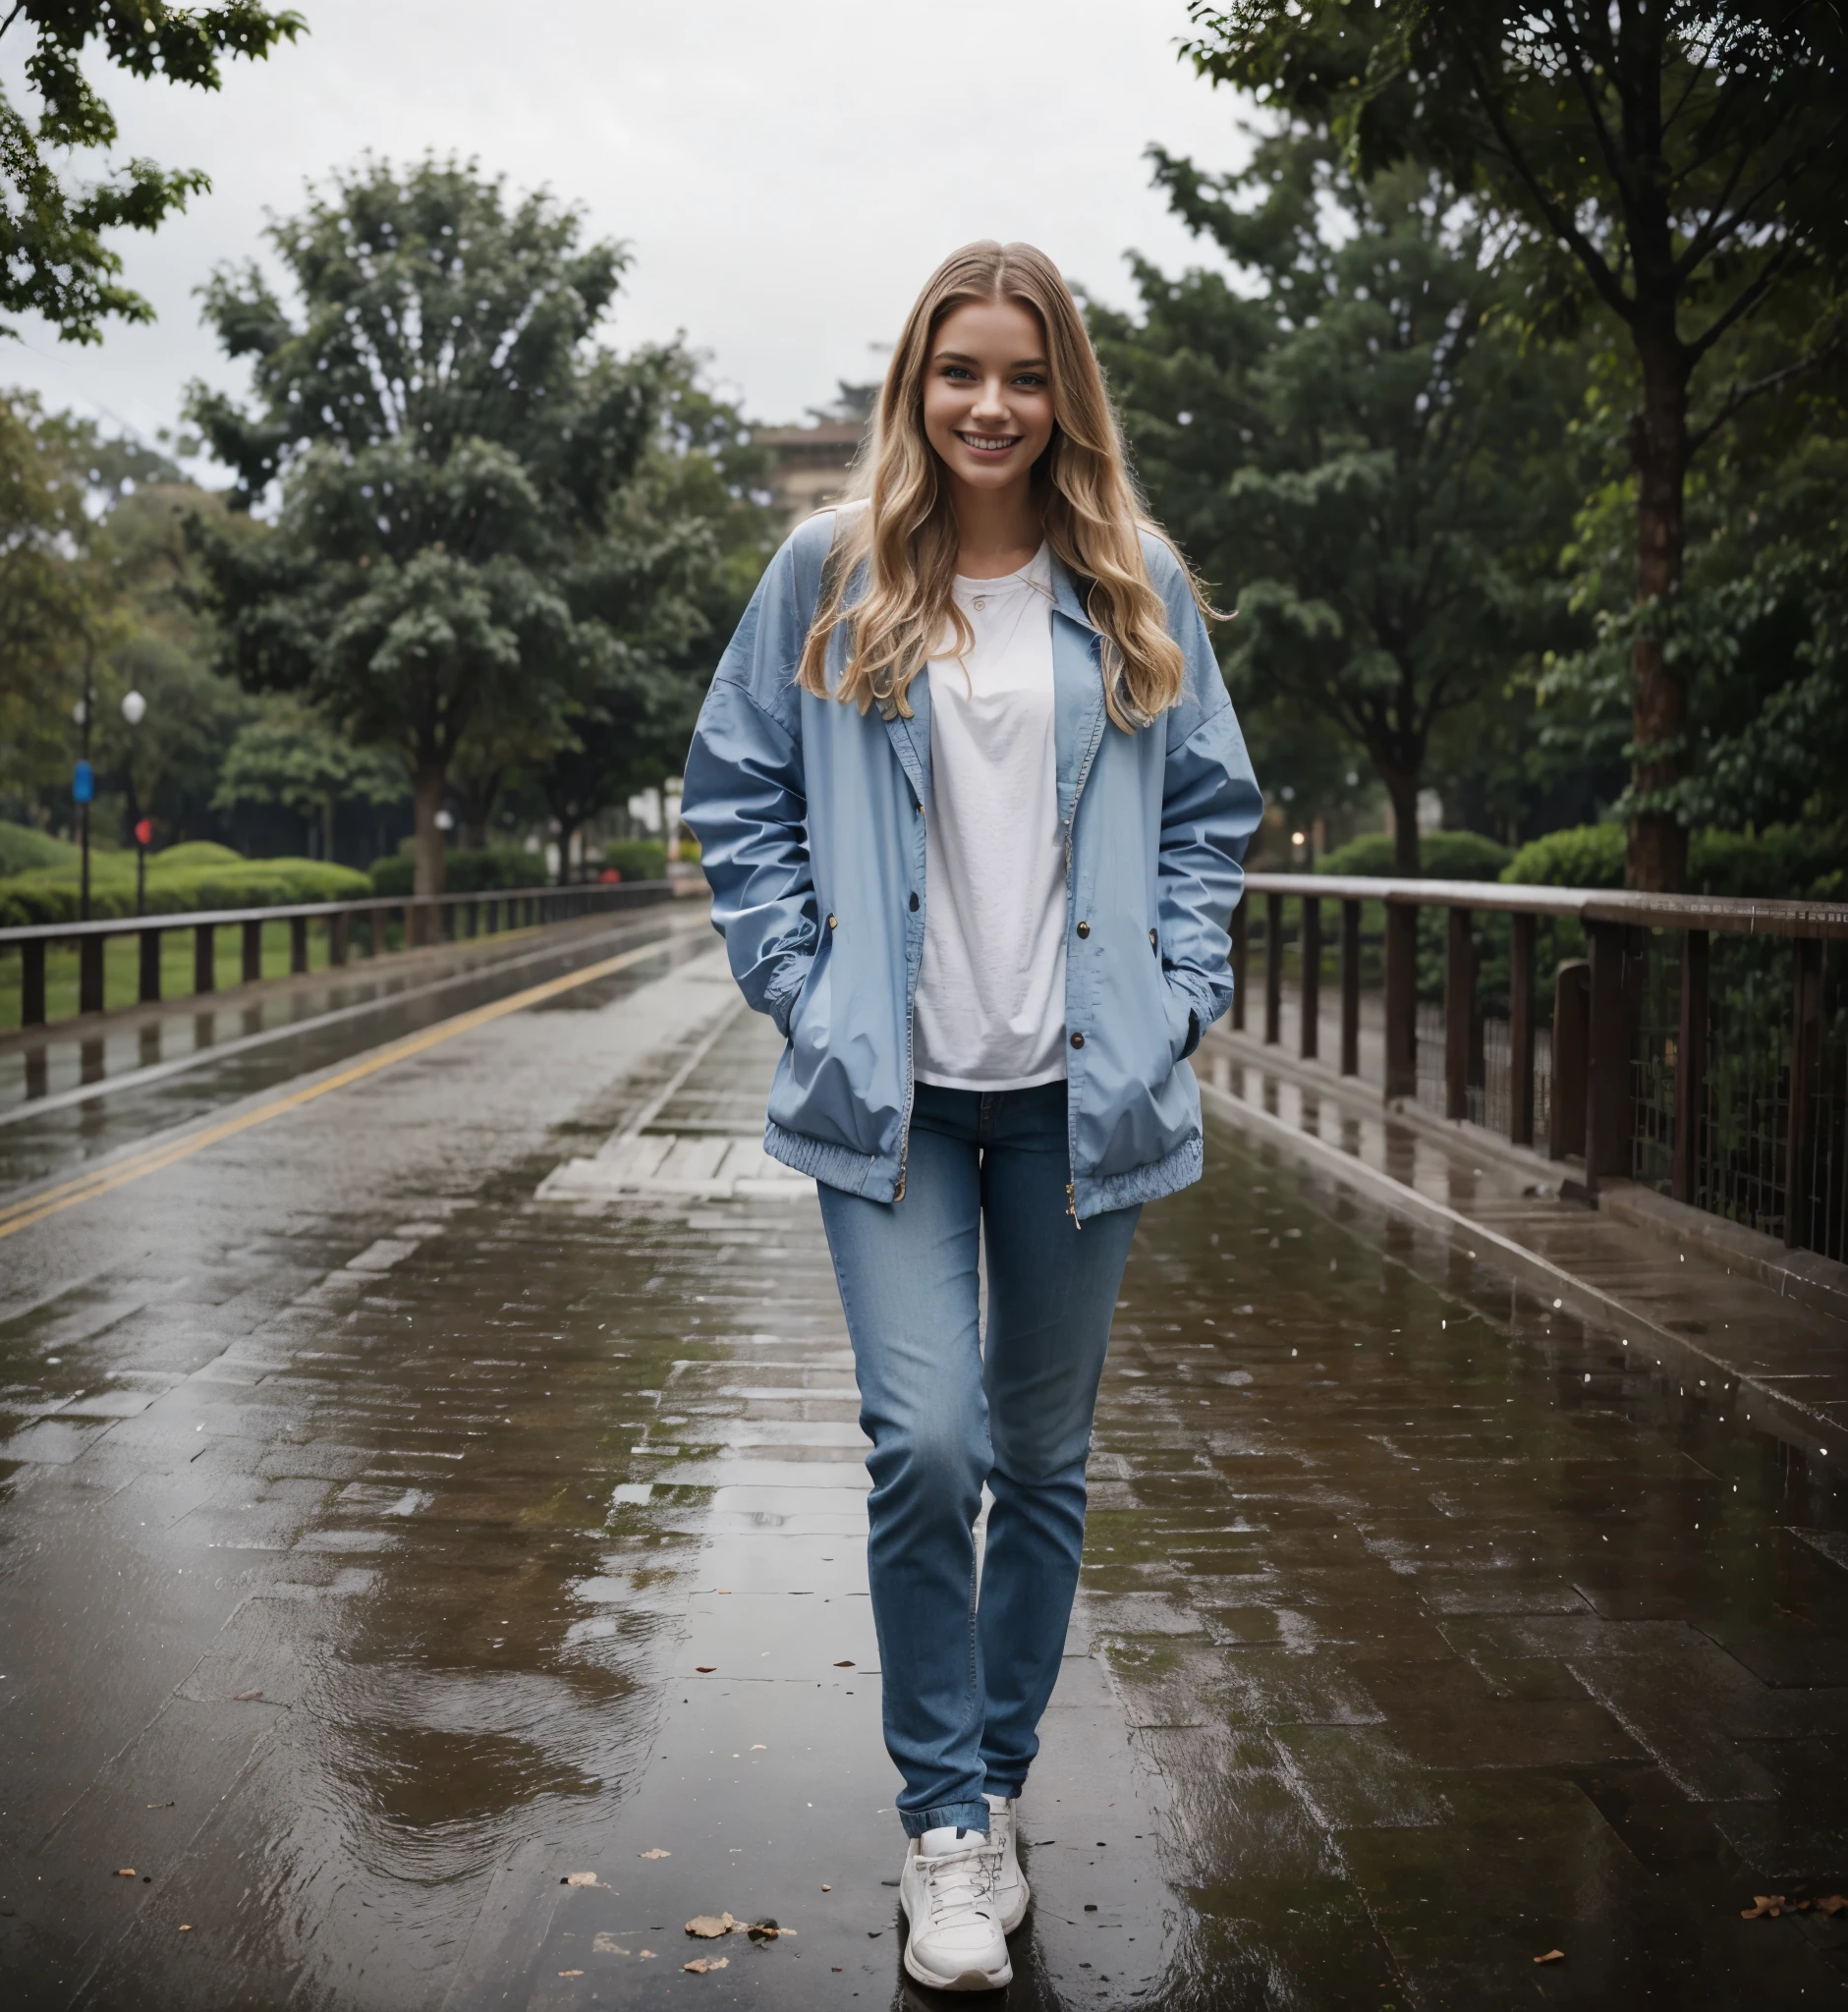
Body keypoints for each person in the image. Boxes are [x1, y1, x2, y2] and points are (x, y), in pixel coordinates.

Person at [682, 240, 1260, 1993]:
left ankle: (990, 1801)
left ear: (1062, 392)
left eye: (1023, 375)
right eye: (960, 373)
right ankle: (941, 1820)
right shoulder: (829, 573)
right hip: (900, 1102)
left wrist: (1173, 994)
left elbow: (1211, 813)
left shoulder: (1133, 580)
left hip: (1082, 1102)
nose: (990, 406)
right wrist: (805, 980)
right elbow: (737, 788)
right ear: (913, 389)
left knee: (1045, 1466)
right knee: (925, 1448)